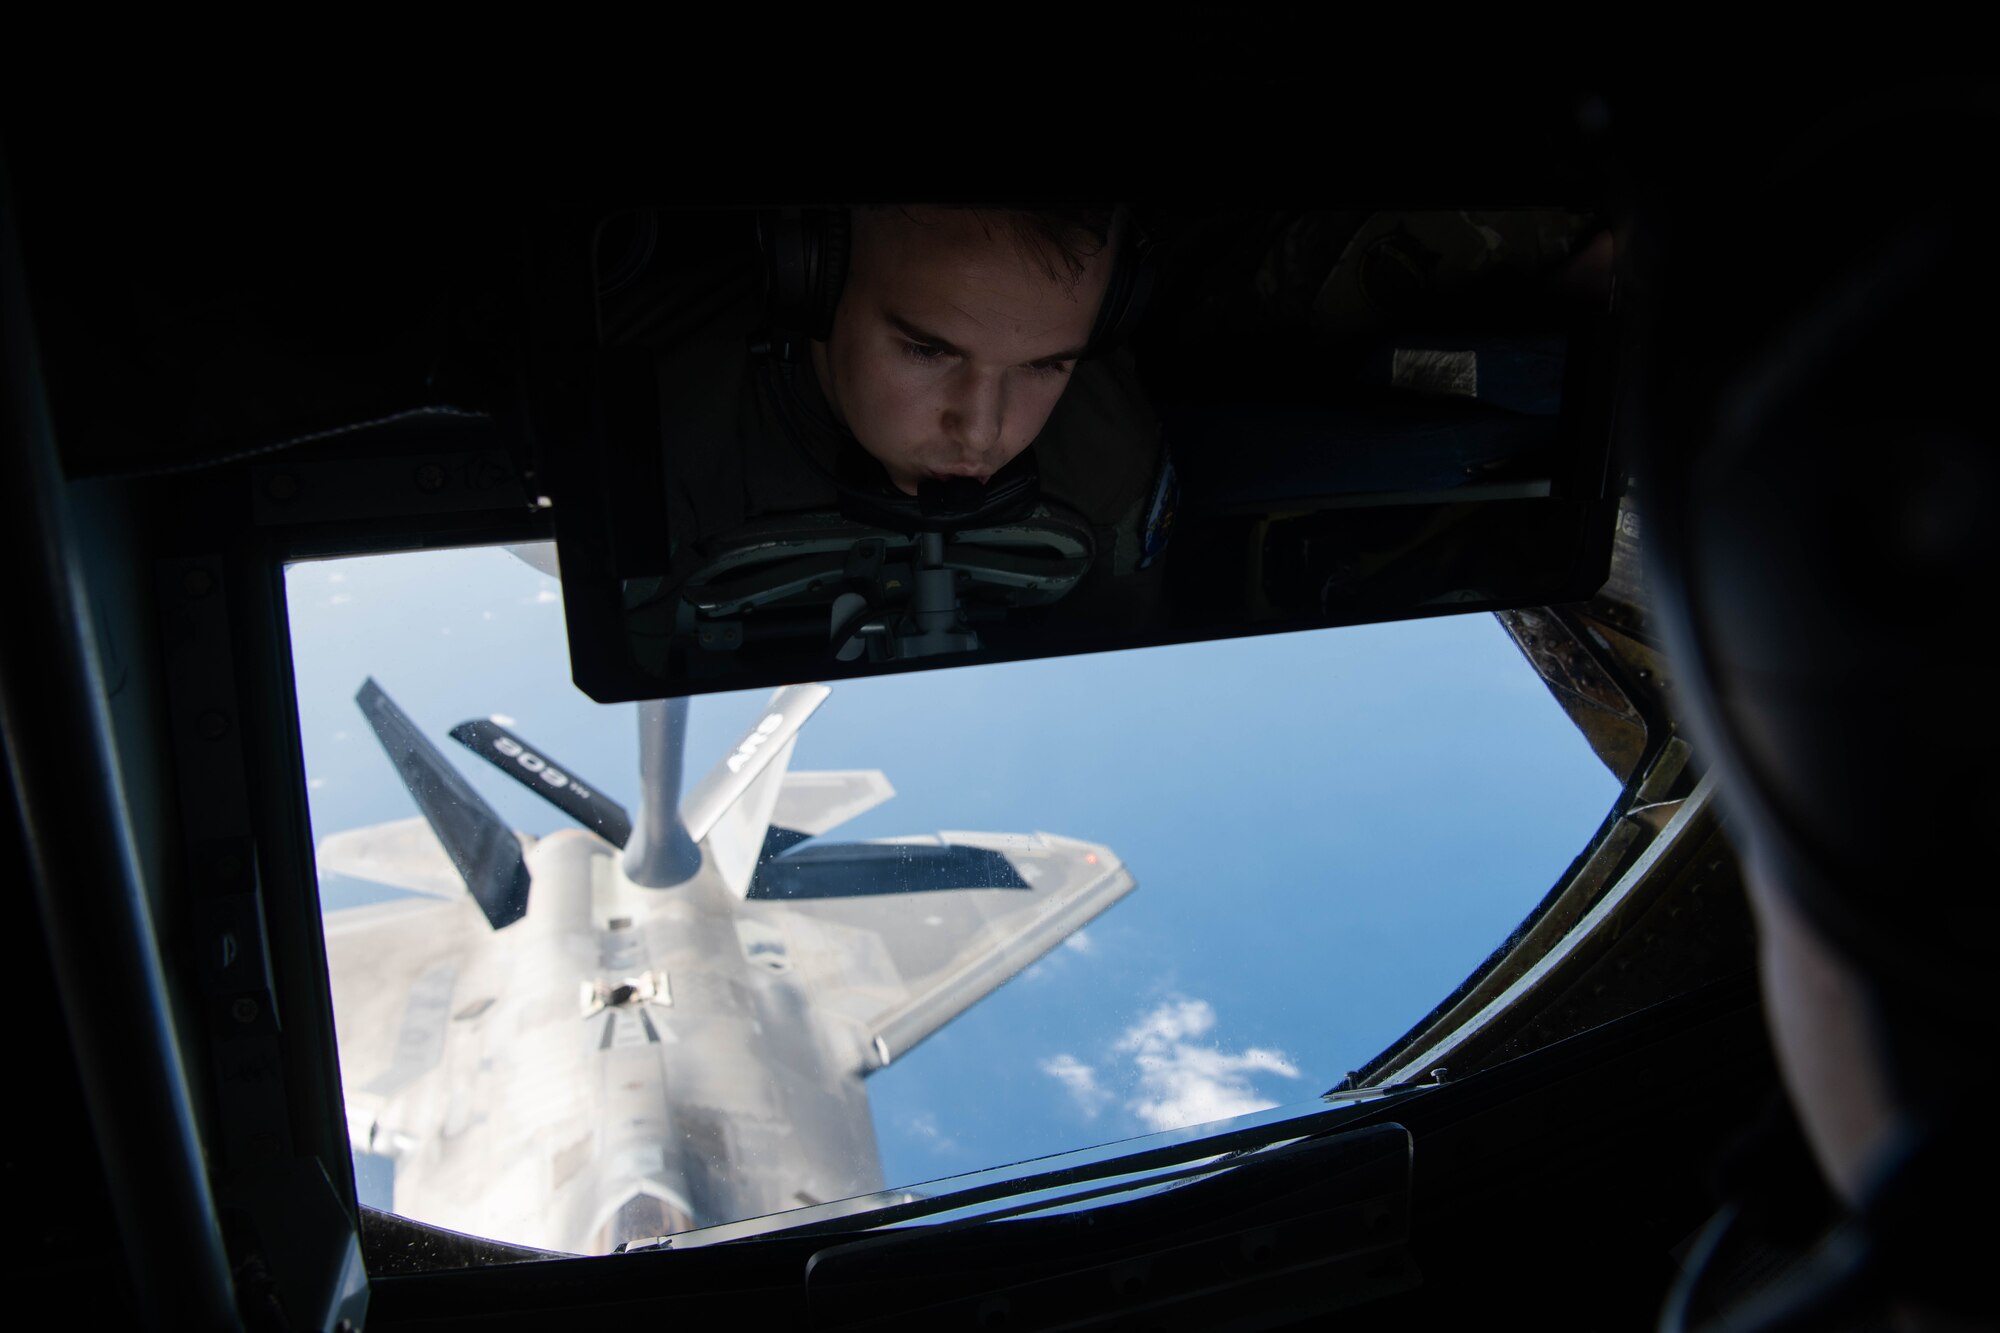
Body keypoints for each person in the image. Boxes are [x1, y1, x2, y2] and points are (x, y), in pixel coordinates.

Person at [601, 205, 1166, 585]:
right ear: (814, 285)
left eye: (1045, 365)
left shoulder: (1112, 466)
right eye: (928, 350)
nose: (981, 432)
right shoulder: (643, 439)